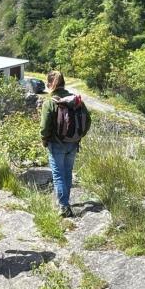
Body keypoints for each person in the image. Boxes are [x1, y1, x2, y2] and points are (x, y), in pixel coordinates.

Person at [40, 71, 91, 217]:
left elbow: (44, 127)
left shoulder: (50, 102)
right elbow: (88, 121)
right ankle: (66, 202)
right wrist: (79, 136)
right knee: (67, 173)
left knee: (58, 175)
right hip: (73, 143)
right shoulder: (76, 100)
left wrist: (44, 139)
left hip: (56, 144)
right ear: (64, 83)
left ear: (50, 84)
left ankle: (63, 206)